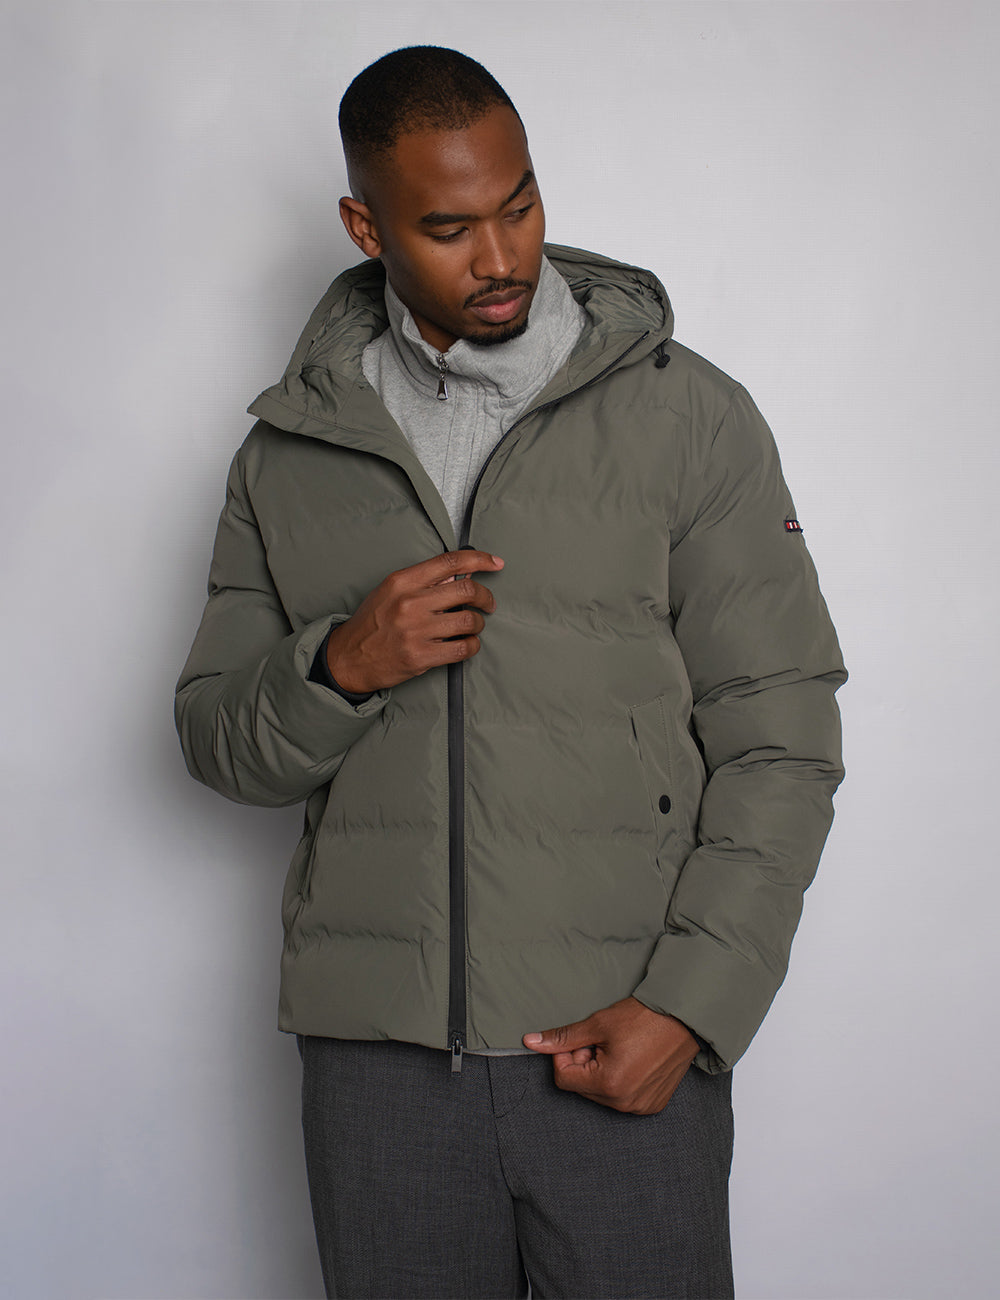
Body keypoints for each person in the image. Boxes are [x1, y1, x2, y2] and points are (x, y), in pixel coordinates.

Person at [175, 45, 845, 1300]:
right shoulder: (292, 449)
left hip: (619, 1034)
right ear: (366, 227)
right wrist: (339, 666)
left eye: (520, 205)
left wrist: (690, 1008)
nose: (501, 257)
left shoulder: (685, 417)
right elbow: (215, 741)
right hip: (378, 1068)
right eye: (448, 229)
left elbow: (782, 734)